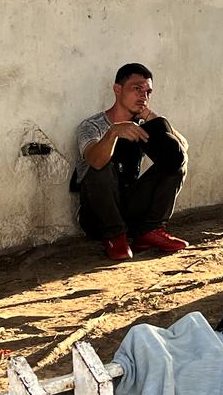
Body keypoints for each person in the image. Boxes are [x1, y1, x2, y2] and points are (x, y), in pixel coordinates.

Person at [75, 63, 189, 261]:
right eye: (137, 89)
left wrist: (152, 119)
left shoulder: (143, 125)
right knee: (100, 165)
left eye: (148, 92)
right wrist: (113, 133)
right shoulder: (92, 125)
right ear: (117, 89)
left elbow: (182, 150)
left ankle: (150, 231)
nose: (143, 96)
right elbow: (94, 160)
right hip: (97, 217)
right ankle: (114, 237)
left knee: (177, 161)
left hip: (131, 208)